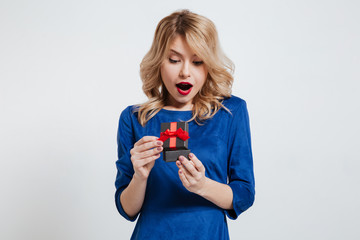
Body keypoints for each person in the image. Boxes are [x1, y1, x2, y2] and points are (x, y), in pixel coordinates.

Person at [115, 9, 255, 240]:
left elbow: (244, 194)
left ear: (208, 65)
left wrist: (202, 186)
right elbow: (127, 209)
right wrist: (139, 176)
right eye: (174, 60)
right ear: (159, 61)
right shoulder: (134, 118)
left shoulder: (231, 112)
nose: (185, 72)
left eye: (197, 61)